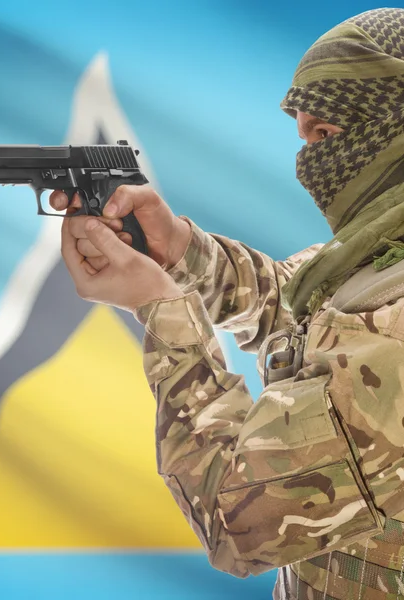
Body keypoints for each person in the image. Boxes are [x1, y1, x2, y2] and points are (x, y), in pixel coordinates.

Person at [51, 8, 404, 599]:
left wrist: (161, 308)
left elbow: (237, 521)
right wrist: (182, 250)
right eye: (303, 135)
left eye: (326, 135)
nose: (308, 163)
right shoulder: (379, 258)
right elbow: (302, 311)